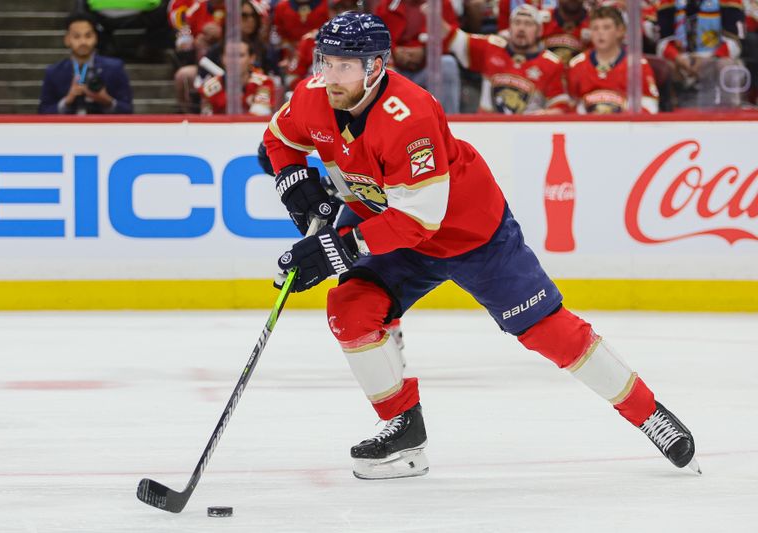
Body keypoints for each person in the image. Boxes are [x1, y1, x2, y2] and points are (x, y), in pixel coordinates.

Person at [264, 12, 700, 480]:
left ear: (376, 66)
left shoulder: (409, 114)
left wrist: (335, 249)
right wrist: (293, 183)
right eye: (326, 62)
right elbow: (277, 139)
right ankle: (403, 432)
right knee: (349, 309)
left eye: (345, 65)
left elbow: (418, 220)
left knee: (547, 331)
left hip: (470, 235)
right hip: (386, 221)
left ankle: (647, 413)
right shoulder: (313, 96)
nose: (331, 76)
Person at [444, 4, 568, 114]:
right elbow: (451, 37)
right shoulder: (490, 47)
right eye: (517, 23)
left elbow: (560, 107)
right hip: (488, 127)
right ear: (509, 28)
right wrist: (432, 14)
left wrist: (542, 115)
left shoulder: (552, 63)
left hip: (527, 132)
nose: (521, 29)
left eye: (528, 24)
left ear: (539, 31)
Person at [567, 5, 659, 113]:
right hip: (587, 127)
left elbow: (650, 107)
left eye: (606, 27)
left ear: (620, 31)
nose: (600, 33)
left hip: (626, 127)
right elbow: (571, 107)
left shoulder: (637, 65)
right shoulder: (577, 65)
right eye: (595, 28)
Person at [38, 12, 133, 114]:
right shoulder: (53, 72)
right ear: (67, 40)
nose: (83, 42)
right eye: (76, 36)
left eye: (88, 36)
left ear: (95, 38)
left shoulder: (115, 68)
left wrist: (107, 101)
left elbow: (128, 110)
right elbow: (42, 112)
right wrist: (67, 101)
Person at [197, 40, 275, 115]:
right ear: (222, 58)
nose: (234, 60)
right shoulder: (208, 88)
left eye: (240, 55)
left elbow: (259, 116)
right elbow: (206, 121)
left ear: (252, 58)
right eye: (230, 55)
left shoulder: (263, 83)